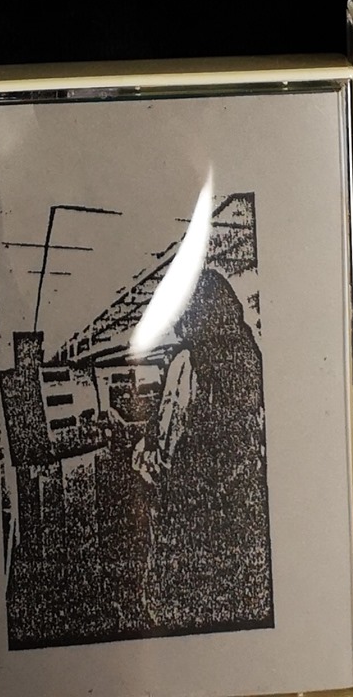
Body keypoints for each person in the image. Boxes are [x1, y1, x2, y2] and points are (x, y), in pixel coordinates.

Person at [137, 269, 270, 634]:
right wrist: (149, 449)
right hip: (205, 530)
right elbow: (162, 428)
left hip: (203, 531)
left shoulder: (217, 365)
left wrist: (160, 467)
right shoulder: (200, 360)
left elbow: (201, 455)